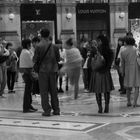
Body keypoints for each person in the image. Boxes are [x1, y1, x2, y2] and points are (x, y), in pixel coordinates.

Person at [33, 28, 60, 116]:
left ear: (41, 35)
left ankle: (47, 110)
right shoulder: (55, 46)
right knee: (54, 91)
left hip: (43, 71)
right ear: (49, 35)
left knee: (44, 91)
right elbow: (58, 59)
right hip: (53, 70)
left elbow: (35, 59)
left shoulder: (38, 46)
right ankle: (56, 110)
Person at [90, 35, 114, 113]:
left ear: (101, 41)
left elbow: (91, 60)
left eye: (98, 41)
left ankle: (100, 108)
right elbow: (110, 63)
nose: (98, 42)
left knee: (98, 91)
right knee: (106, 90)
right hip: (106, 73)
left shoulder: (96, 50)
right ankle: (106, 106)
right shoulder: (110, 51)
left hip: (97, 73)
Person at [120, 37, 140, 107]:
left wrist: (122, 71)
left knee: (128, 86)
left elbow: (122, 63)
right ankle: (135, 102)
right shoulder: (136, 49)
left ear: (127, 42)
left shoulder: (123, 51)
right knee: (137, 86)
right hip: (135, 68)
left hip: (127, 69)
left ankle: (128, 101)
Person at [19, 39, 38, 113]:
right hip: (27, 72)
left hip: (26, 72)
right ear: (27, 45)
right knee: (28, 90)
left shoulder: (24, 51)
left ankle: (28, 105)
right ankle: (26, 107)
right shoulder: (26, 52)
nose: (31, 45)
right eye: (30, 44)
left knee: (29, 90)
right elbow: (31, 63)